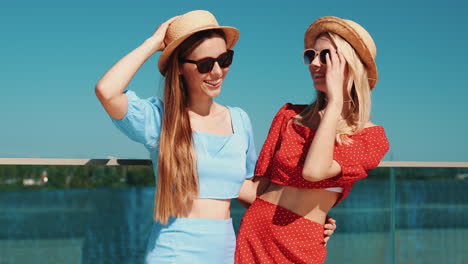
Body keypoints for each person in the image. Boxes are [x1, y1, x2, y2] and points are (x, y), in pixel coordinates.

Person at [95, 10, 336, 264]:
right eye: (205, 64)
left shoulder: (239, 120)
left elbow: (250, 191)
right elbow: (107, 91)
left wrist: (309, 218)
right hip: (173, 252)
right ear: (179, 67)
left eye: (224, 59)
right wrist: (153, 43)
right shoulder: (160, 119)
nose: (218, 72)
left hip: (226, 251)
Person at [235, 16, 390, 264]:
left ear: (349, 63)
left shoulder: (370, 137)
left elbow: (314, 171)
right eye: (310, 56)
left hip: (300, 244)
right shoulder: (289, 115)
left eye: (325, 56)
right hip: (253, 234)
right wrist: (201, 170)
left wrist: (336, 102)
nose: (314, 64)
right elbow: (258, 190)